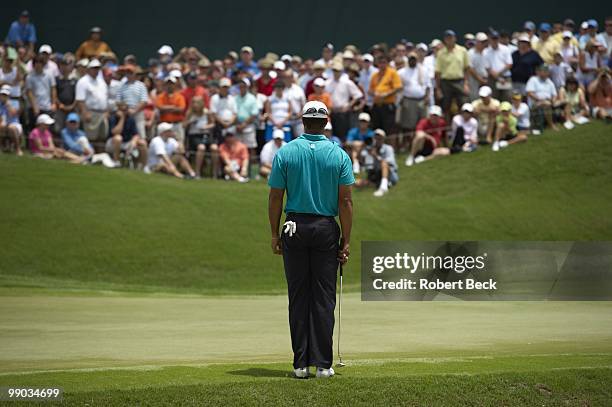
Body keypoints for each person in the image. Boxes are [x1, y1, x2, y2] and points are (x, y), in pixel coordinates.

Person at [268, 100, 353, 379]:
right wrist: (347, 241)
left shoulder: (286, 152)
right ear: (326, 122)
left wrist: (274, 233)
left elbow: (275, 197)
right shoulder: (339, 155)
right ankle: (323, 365)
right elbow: (346, 202)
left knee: (299, 295)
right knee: (323, 297)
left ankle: (300, 364)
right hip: (325, 228)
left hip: (293, 226)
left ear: (302, 121)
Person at [435, 30, 470, 121]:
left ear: (455, 38)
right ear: (445, 40)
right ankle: (447, 129)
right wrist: (438, 88)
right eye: (447, 38)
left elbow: (466, 68)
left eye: (451, 37)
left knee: (463, 105)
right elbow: (438, 72)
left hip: (459, 81)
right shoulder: (441, 53)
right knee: (445, 106)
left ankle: (462, 128)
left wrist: (466, 84)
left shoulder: (462, 51)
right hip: (446, 82)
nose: (449, 40)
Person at [397, 51, 428, 144]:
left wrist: (427, 98)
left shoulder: (423, 70)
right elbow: (399, 88)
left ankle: (421, 143)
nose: (412, 61)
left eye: (414, 59)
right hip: (409, 100)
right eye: (410, 59)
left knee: (422, 122)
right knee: (408, 124)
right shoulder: (402, 72)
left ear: (417, 60)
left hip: (421, 99)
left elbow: (428, 86)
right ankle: (408, 143)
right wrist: (400, 100)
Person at [327, 61, 363, 140]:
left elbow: (358, 95)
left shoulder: (346, 82)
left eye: (338, 71)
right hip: (332, 112)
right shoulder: (328, 82)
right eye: (335, 70)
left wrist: (349, 105)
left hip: (343, 113)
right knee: (332, 135)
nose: (336, 72)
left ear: (341, 71)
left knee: (343, 135)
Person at [357, 128, 398, 197]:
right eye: (376, 138)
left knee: (384, 163)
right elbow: (361, 161)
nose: (377, 140)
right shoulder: (370, 149)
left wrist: (376, 156)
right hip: (375, 174)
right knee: (356, 182)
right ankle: (376, 185)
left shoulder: (388, 148)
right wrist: (361, 148)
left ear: (383, 139)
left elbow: (389, 162)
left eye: (380, 138)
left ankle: (383, 187)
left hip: (390, 175)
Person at [105, 101, 147, 168]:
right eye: (122, 110)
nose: (124, 112)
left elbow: (135, 134)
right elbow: (115, 132)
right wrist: (122, 118)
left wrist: (133, 142)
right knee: (118, 138)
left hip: (126, 142)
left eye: (125, 110)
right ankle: (116, 162)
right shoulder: (113, 118)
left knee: (143, 142)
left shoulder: (131, 119)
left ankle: (143, 166)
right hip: (112, 143)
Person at [368, 55, 401, 138]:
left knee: (389, 129)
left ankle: (391, 148)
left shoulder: (392, 73)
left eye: (384, 62)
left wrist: (386, 94)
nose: (382, 64)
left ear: (387, 63)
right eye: (380, 62)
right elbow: (370, 90)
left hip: (388, 105)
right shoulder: (375, 75)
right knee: (377, 128)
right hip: (377, 106)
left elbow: (398, 87)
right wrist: (374, 94)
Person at [75, 59, 108, 141]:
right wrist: (85, 113)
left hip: (102, 114)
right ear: (88, 69)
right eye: (94, 68)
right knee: (91, 137)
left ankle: (100, 154)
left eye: (97, 68)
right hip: (91, 112)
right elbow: (80, 100)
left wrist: (106, 111)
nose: (96, 70)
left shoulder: (101, 81)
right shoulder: (83, 81)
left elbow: (105, 97)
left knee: (102, 137)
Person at [184, 95, 217, 178]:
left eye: (197, 103)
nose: (195, 104)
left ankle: (215, 173)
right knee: (201, 148)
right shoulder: (190, 113)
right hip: (194, 136)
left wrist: (206, 127)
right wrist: (190, 122)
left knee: (214, 148)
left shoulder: (207, 112)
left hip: (205, 134)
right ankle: (197, 172)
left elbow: (213, 124)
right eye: (194, 102)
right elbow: (183, 125)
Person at [117, 64, 149, 140]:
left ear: (134, 73)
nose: (128, 74)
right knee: (126, 136)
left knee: (141, 136)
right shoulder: (121, 86)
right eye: (126, 73)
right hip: (125, 113)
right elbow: (118, 101)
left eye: (130, 72)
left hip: (138, 113)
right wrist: (126, 109)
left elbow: (144, 101)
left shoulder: (141, 85)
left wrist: (134, 111)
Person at [25, 55, 57, 128]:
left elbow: (53, 89)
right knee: (34, 128)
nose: (38, 65)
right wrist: (34, 106)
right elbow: (29, 92)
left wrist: (53, 103)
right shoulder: (29, 77)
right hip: (34, 108)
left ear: (43, 64)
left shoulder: (49, 75)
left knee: (48, 129)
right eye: (36, 63)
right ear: (33, 64)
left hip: (47, 107)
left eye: (40, 63)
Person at [526, 64, 559, 132]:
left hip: (549, 101)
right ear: (538, 72)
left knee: (566, 101)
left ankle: (569, 119)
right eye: (544, 71)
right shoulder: (533, 79)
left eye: (547, 71)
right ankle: (551, 125)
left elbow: (554, 95)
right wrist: (540, 99)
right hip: (535, 103)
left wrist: (553, 100)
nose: (546, 73)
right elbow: (529, 93)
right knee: (546, 104)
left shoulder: (549, 82)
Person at [155, 76, 186, 145]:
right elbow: (160, 108)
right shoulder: (160, 96)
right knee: (162, 144)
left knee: (179, 144)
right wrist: (173, 107)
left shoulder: (180, 97)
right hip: (164, 123)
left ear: (175, 85)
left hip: (177, 124)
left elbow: (181, 109)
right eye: (168, 84)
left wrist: (166, 108)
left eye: (171, 84)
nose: (170, 85)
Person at [485, 30, 513, 102]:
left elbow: (509, 64)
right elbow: (488, 68)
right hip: (492, 79)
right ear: (490, 39)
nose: (495, 41)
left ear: (499, 39)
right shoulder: (486, 51)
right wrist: (498, 78)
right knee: (494, 99)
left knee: (507, 97)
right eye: (493, 39)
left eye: (496, 38)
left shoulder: (505, 49)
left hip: (505, 77)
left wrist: (499, 75)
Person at [235, 77, 259, 158]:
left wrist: (244, 124)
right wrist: (239, 124)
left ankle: (252, 167)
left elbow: (254, 114)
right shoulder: (235, 98)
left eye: (243, 86)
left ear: (247, 87)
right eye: (240, 86)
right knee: (238, 147)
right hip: (238, 125)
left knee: (251, 147)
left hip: (249, 125)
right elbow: (234, 112)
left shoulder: (252, 98)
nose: (242, 88)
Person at [210, 77, 237, 142]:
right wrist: (223, 123)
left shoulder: (232, 98)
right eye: (224, 87)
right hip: (219, 125)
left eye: (227, 87)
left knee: (230, 144)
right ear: (220, 87)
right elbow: (214, 113)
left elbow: (235, 113)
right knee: (220, 143)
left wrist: (229, 122)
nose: (225, 89)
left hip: (230, 125)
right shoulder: (214, 98)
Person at [0, 85, 24, 155]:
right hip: (3, 124)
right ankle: (1, 147)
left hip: (14, 123)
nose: (3, 97)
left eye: (5, 95)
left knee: (11, 128)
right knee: (2, 126)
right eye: (2, 95)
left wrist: (8, 105)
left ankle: (18, 149)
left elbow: (13, 114)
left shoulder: (14, 103)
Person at [468, 32, 489, 101]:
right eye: (482, 42)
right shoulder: (471, 53)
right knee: (475, 99)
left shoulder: (487, 52)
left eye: (485, 42)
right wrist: (480, 79)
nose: (484, 44)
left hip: (486, 79)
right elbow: (470, 68)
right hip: (474, 80)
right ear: (476, 42)